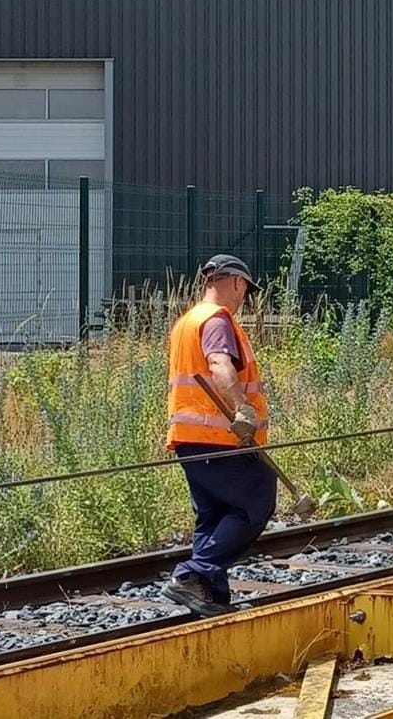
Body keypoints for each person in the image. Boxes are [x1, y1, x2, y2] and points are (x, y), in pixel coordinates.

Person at [162, 255, 275, 616]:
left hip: (189, 436)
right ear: (238, 283)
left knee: (213, 517)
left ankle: (209, 596)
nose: (244, 298)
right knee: (255, 501)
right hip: (220, 436)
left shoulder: (187, 321)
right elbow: (218, 364)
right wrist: (242, 408)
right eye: (245, 291)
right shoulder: (216, 320)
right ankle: (191, 575)